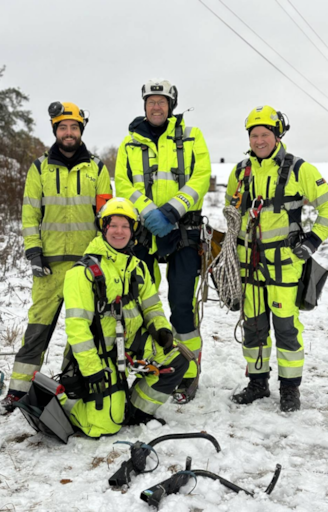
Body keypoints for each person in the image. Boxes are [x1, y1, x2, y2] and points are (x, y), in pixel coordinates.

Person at [225, 105, 328, 412]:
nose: (260, 140)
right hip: (248, 266)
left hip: (285, 267)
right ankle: (258, 383)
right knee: (254, 327)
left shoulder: (299, 169)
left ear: (277, 136)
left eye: (265, 134)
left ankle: (290, 389)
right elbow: (232, 212)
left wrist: (313, 241)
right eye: (254, 135)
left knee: (287, 328)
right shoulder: (239, 172)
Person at [3, 102, 113, 410]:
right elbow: (29, 212)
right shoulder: (39, 168)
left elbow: (105, 216)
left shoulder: (97, 168)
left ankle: (70, 384)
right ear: (55, 131)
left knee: (82, 328)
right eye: (63, 127)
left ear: (81, 131)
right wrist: (33, 250)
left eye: (74, 127)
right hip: (48, 266)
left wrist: (100, 258)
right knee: (38, 328)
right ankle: (18, 392)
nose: (69, 133)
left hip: (85, 266)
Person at [115, 79, 211, 403]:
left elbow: (202, 176)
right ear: (144, 106)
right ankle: (155, 364)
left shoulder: (192, 136)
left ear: (171, 106)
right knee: (144, 303)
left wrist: (172, 210)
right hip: (145, 231)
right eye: (151, 102)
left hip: (183, 231)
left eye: (162, 101)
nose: (156, 107)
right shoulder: (129, 144)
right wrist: (147, 212)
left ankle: (189, 373)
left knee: (181, 305)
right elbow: (123, 183)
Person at [59, 198, 189, 436]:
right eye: (113, 225)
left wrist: (162, 330)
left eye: (125, 226)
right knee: (105, 425)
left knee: (179, 359)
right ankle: (77, 405)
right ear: (103, 227)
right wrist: (91, 369)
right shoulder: (83, 272)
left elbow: (152, 307)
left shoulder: (138, 267)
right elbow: (77, 328)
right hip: (100, 353)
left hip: (132, 343)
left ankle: (138, 410)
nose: (119, 231)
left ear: (134, 231)